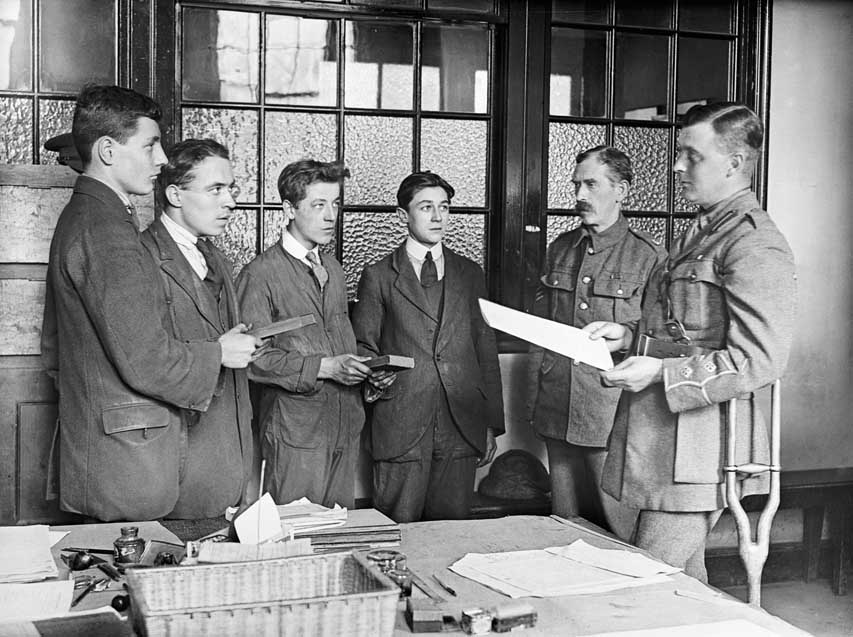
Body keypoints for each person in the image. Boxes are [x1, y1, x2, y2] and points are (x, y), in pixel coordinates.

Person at [586, 102, 797, 581]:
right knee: (685, 583)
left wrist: (658, 371)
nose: (677, 166)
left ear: (734, 164)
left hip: (702, 451)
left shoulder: (753, 242)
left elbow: (759, 359)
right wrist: (633, 340)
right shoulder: (699, 232)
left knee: (643, 585)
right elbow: (687, 338)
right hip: (662, 441)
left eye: (691, 156)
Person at [41, 85, 259, 522]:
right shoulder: (105, 232)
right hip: (129, 464)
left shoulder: (98, 220)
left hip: (127, 456)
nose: (161, 161)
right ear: (107, 150)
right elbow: (146, 360)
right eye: (150, 145)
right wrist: (219, 352)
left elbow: (57, 352)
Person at [351, 171, 505, 523]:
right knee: (395, 533)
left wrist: (491, 424)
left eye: (444, 207)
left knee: (451, 538)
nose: (437, 217)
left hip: (461, 425)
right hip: (400, 426)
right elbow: (363, 345)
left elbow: (486, 350)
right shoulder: (378, 275)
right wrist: (374, 376)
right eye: (426, 207)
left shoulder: (470, 273)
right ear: (403, 216)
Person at [530, 146, 663, 539]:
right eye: (576, 185)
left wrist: (628, 336)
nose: (579, 195)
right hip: (558, 408)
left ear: (621, 190)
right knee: (566, 531)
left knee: (621, 534)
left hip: (612, 413)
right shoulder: (561, 248)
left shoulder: (649, 257)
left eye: (591, 184)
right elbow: (543, 325)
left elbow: (663, 341)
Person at [236, 159, 367, 509]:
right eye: (318, 205)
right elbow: (253, 359)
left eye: (336, 204)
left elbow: (338, 341)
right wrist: (324, 368)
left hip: (343, 425)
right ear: (289, 209)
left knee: (339, 536)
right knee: (296, 540)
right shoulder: (259, 275)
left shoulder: (334, 271)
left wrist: (366, 371)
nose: (331, 216)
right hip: (295, 434)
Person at [140, 139, 256, 518]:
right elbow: (145, 361)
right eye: (215, 189)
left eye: (231, 189)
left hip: (230, 470)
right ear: (174, 194)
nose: (231, 202)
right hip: (177, 474)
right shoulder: (142, 258)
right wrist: (219, 352)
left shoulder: (215, 257)